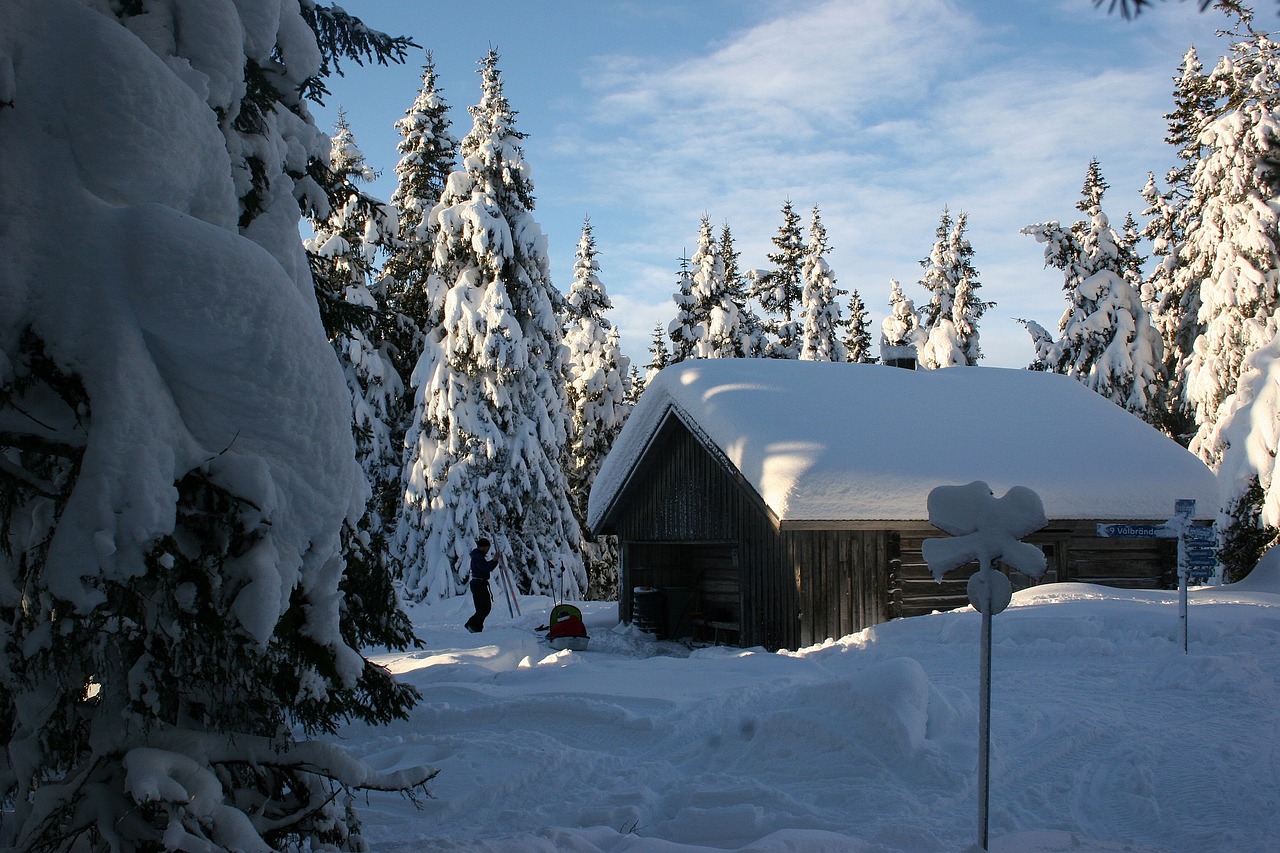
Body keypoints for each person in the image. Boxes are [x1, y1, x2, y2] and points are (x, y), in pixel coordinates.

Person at [464, 537, 499, 633]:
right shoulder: (478, 557)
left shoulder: (478, 556)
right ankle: (471, 624)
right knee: (485, 607)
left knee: (482, 608)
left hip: (479, 584)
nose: (488, 550)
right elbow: (486, 568)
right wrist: (495, 560)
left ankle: (477, 627)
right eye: (487, 547)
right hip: (479, 584)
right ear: (482, 547)